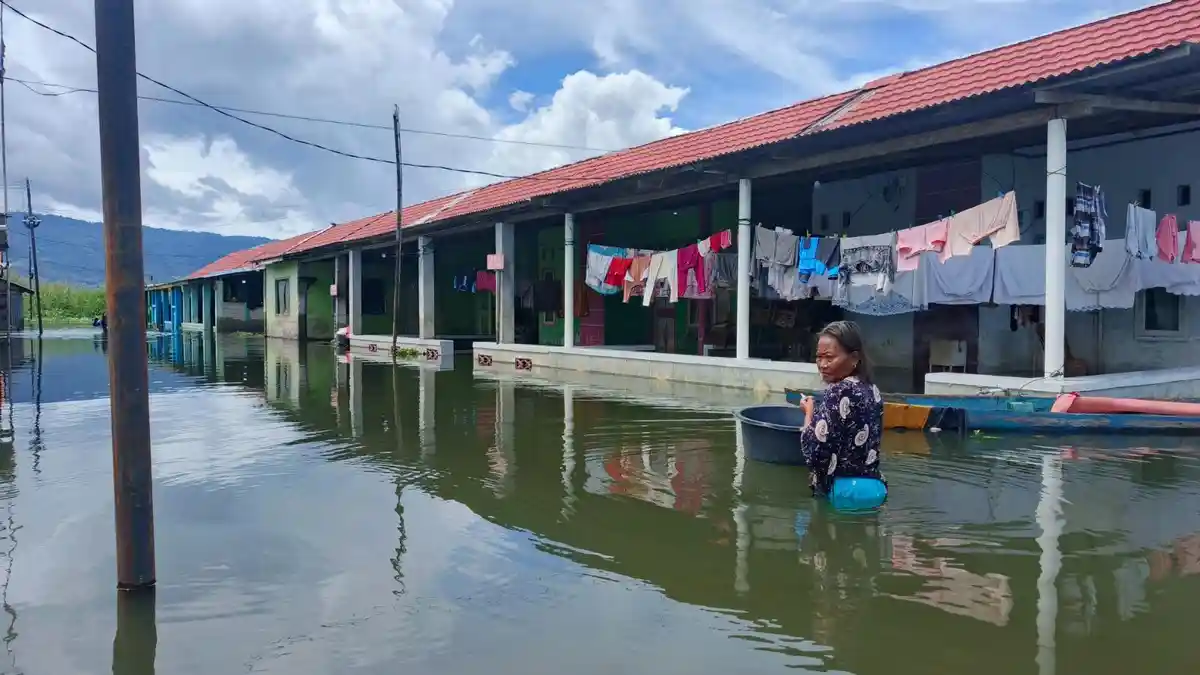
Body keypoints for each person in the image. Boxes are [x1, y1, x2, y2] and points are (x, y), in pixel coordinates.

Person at [800, 321, 887, 509]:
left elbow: (814, 450)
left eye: (829, 358)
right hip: (876, 488)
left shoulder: (837, 391)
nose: (822, 365)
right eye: (819, 357)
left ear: (854, 357)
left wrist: (808, 413)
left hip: (844, 492)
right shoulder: (872, 390)